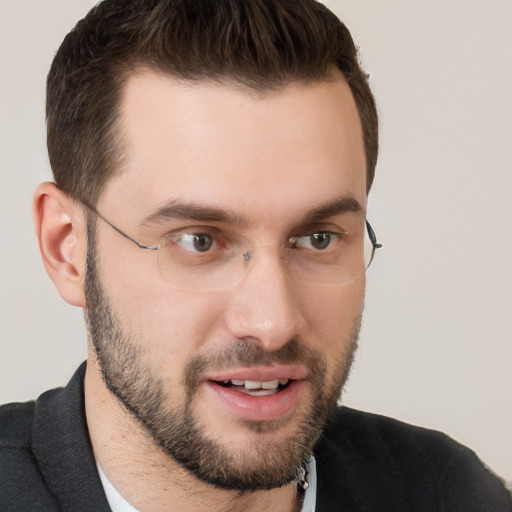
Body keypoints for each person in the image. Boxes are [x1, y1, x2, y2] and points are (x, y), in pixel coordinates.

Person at [0, 0, 510, 510]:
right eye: (199, 241)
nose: (273, 323)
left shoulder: (452, 493)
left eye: (318, 238)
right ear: (67, 249)